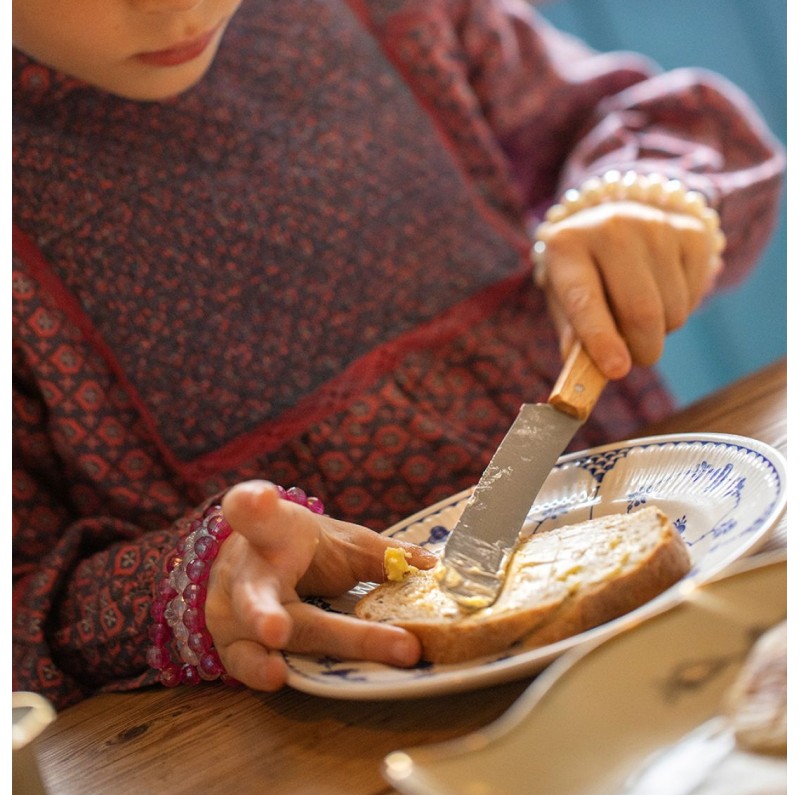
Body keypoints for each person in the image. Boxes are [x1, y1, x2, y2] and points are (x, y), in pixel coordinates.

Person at [12, 0, 784, 711]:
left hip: (684, 617)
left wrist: (642, 192)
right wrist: (191, 587)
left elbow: (641, 123)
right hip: (322, 743)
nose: (177, 6)